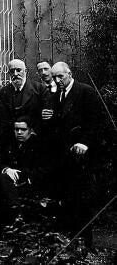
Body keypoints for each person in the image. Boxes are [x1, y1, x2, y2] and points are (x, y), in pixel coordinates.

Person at [51, 61, 104, 244]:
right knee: (67, 198)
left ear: (70, 74)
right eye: (55, 77)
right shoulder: (58, 95)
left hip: (83, 156)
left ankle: (86, 243)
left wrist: (85, 143)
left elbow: (95, 121)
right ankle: (71, 242)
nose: (57, 80)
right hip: (65, 156)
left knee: (82, 199)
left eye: (61, 76)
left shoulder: (85, 91)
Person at [0, 116, 47, 223]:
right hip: (8, 179)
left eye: (23, 130)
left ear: (31, 130)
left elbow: (42, 169)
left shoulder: (39, 145)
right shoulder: (10, 143)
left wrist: (20, 175)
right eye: (16, 129)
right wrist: (7, 169)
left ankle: (16, 213)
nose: (19, 132)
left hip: (28, 181)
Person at [0, 59, 51, 129]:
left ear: (25, 71)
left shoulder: (39, 89)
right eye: (12, 71)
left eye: (18, 70)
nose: (15, 74)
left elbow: (45, 116)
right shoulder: (4, 91)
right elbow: (3, 118)